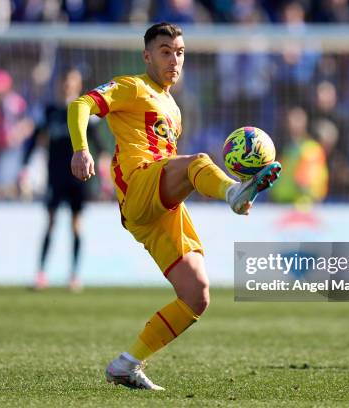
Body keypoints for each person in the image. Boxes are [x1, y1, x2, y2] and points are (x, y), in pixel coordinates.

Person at [67, 22, 281, 390]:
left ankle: (126, 364)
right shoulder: (133, 87)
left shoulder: (173, 107)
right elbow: (80, 103)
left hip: (161, 207)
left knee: (197, 295)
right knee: (197, 161)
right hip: (140, 185)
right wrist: (81, 148)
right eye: (165, 51)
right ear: (147, 55)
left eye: (179, 52)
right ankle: (235, 194)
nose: (174, 59)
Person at [24, 69, 103, 291]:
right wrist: (26, 166)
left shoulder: (85, 111)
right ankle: (40, 274)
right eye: (65, 81)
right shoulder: (49, 111)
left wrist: (105, 162)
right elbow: (35, 140)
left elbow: (98, 142)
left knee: (76, 225)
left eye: (73, 82)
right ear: (60, 84)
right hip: (55, 177)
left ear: (78, 85)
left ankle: (74, 275)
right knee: (50, 223)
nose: (68, 85)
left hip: (79, 178)